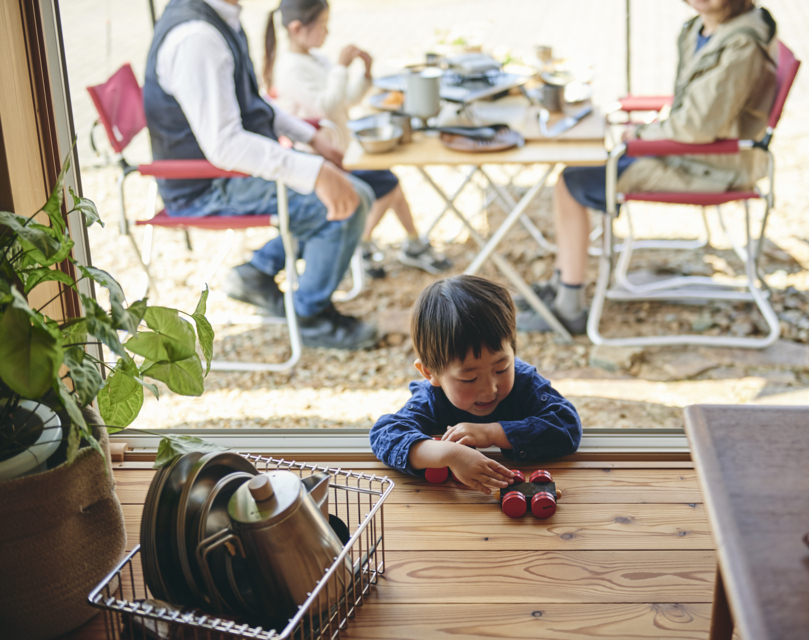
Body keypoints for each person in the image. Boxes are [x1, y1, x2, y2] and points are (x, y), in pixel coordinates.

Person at [516, 0, 779, 334]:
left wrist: (643, 133)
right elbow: (695, 109)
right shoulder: (701, 28)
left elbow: (699, 126)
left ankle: (568, 306)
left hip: (713, 164)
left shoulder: (742, 43)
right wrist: (650, 128)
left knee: (571, 183)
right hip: (696, 149)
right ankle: (560, 283)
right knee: (579, 171)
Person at [143, 0, 379, 350]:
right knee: (351, 204)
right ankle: (310, 317)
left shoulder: (217, 19)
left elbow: (252, 103)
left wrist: (309, 136)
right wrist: (314, 172)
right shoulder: (197, 37)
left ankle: (255, 272)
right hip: (209, 184)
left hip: (229, 171)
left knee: (357, 194)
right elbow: (224, 146)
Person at [263, 0, 452, 280]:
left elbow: (346, 100)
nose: (326, 33)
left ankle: (412, 242)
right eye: (322, 26)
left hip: (342, 151)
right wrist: (340, 67)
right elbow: (325, 106)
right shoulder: (291, 68)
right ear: (297, 28)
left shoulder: (315, 59)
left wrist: (364, 73)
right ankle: (361, 245)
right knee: (388, 183)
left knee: (389, 180)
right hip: (322, 160)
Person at [369, 275, 582, 494]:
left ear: (513, 352)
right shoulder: (432, 396)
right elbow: (385, 435)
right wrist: (449, 454)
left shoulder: (524, 382)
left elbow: (566, 425)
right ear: (430, 373)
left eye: (501, 369)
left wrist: (491, 433)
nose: (490, 389)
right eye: (469, 378)